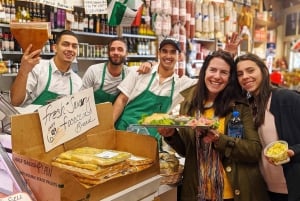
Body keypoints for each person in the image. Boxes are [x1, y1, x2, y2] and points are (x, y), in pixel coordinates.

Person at [158, 50, 270, 201]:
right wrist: (171, 136)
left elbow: (254, 150)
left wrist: (219, 140)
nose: (217, 76)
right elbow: (188, 151)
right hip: (197, 192)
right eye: (212, 70)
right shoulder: (189, 105)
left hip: (231, 193)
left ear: (230, 78)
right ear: (204, 71)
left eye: (224, 72)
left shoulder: (240, 106)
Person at [235, 53, 300, 201]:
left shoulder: (287, 99)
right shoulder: (248, 106)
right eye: (240, 74)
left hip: (293, 189)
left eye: (250, 70)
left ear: (264, 70)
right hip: (264, 190)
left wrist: (293, 151)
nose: (245, 76)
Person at [112, 37, 197, 144]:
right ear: (159, 54)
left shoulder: (181, 84)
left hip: (150, 142)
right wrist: (108, 127)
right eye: (164, 51)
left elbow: (205, 82)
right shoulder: (139, 72)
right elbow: (122, 100)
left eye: (173, 52)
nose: (168, 56)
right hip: (124, 132)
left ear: (179, 56)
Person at [10, 30, 82, 107]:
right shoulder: (38, 67)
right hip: (32, 118)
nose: (70, 49)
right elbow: (15, 102)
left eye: (74, 46)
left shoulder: (77, 81)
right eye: (65, 44)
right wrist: (23, 71)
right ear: (55, 48)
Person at [81, 37, 152, 104]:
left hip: (119, 116)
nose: (116, 52)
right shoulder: (94, 71)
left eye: (120, 49)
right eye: (112, 49)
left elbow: (158, 66)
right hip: (95, 115)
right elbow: (81, 98)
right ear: (108, 53)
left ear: (126, 54)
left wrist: (149, 63)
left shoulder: (130, 73)